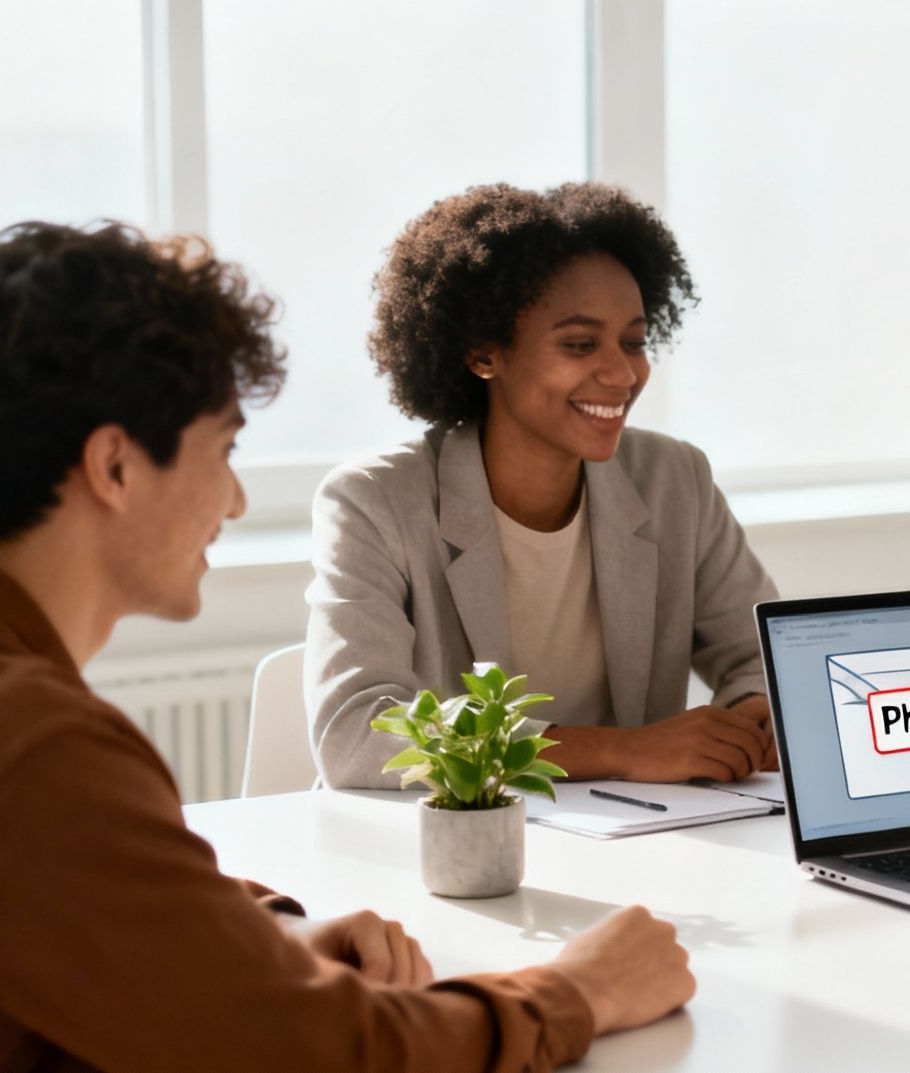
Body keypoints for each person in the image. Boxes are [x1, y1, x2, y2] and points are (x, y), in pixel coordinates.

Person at [0, 221, 695, 1073]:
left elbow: (57, 884)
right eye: (225, 450)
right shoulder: (30, 753)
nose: (234, 502)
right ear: (115, 466)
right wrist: (579, 992)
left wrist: (252, 937)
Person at [307, 181, 780, 790]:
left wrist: (751, 720)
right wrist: (621, 751)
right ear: (484, 353)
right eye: (580, 344)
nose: (621, 373)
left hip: (649, 843)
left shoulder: (675, 480)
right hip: (448, 854)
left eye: (633, 342)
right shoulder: (373, 502)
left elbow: (765, 660)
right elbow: (354, 737)